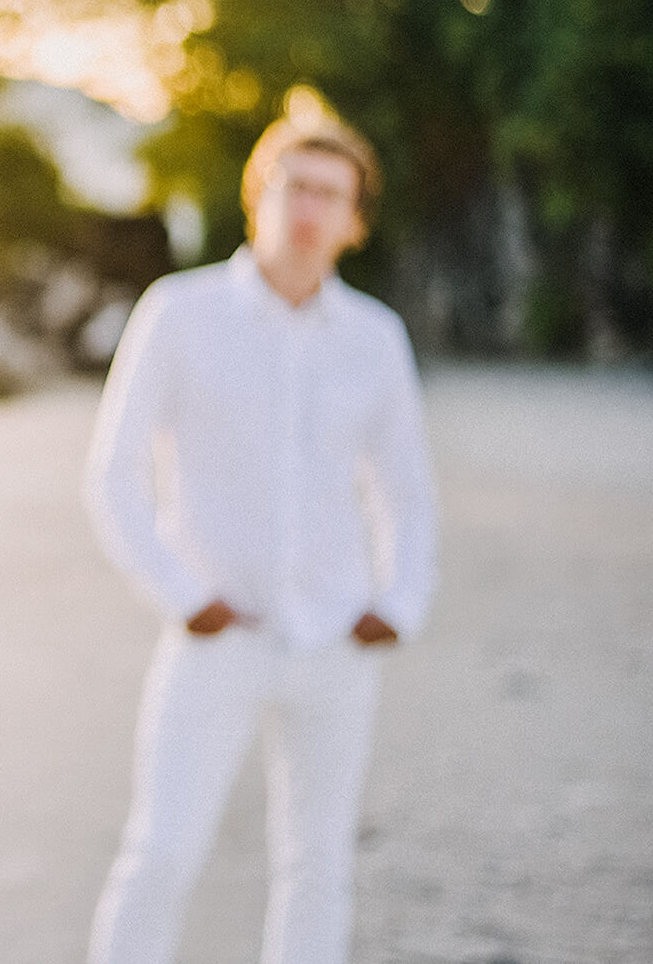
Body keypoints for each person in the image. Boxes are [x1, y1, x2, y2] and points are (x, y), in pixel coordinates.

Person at [82, 97, 438, 964]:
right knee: (162, 850)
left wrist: (399, 603)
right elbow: (111, 477)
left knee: (316, 863)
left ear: (354, 222)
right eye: (297, 185)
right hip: (214, 636)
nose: (311, 207)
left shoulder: (373, 337)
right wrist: (184, 596)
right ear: (260, 193)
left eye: (332, 194)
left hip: (335, 638)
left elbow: (408, 491)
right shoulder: (179, 312)